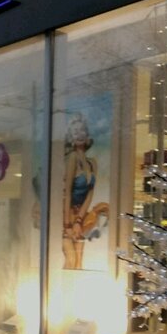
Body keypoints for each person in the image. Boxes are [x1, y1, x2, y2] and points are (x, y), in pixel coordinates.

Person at [61, 113, 109, 270]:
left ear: (87, 135)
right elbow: (68, 192)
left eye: (82, 130)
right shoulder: (72, 158)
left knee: (79, 262)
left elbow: (90, 193)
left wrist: (79, 221)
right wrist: (68, 224)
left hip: (80, 216)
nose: (79, 134)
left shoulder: (92, 162)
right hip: (67, 215)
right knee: (70, 259)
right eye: (75, 131)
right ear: (71, 136)